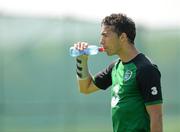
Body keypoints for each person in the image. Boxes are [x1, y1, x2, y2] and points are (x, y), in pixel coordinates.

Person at [73, 13, 163, 132]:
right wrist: (81, 60)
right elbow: (85, 88)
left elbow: (156, 117)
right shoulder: (116, 67)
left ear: (122, 37)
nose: (101, 41)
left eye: (105, 36)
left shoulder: (145, 69)